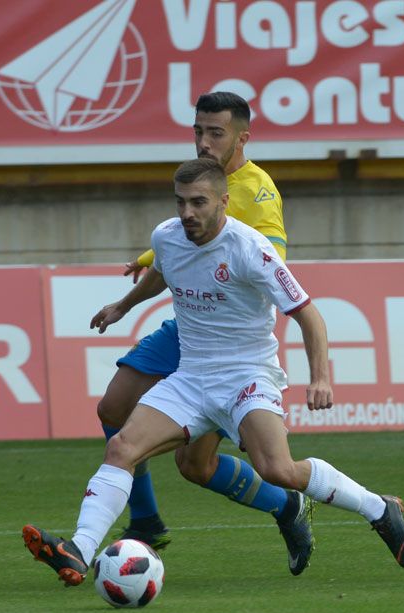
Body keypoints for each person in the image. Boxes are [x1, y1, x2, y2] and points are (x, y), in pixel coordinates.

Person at [22, 158, 404, 588]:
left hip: (246, 378)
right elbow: (162, 271)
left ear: (224, 202)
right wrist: (124, 305)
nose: (187, 212)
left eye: (198, 202)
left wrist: (320, 377)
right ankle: (80, 550)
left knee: (278, 470)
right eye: (181, 202)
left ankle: (379, 509)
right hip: (190, 379)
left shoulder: (250, 249)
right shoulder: (167, 237)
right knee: (122, 448)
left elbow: (309, 315)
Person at [94, 92, 313, 575]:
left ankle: (287, 505)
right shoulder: (198, 186)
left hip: (230, 340)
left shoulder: (257, 193)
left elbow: (270, 264)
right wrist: (125, 301)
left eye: (215, 133)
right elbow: (179, 253)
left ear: (241, 137)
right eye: (198, 131)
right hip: (187, 327)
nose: (204, 141)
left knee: (196, 467)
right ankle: (146, 520)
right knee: (112, 406)